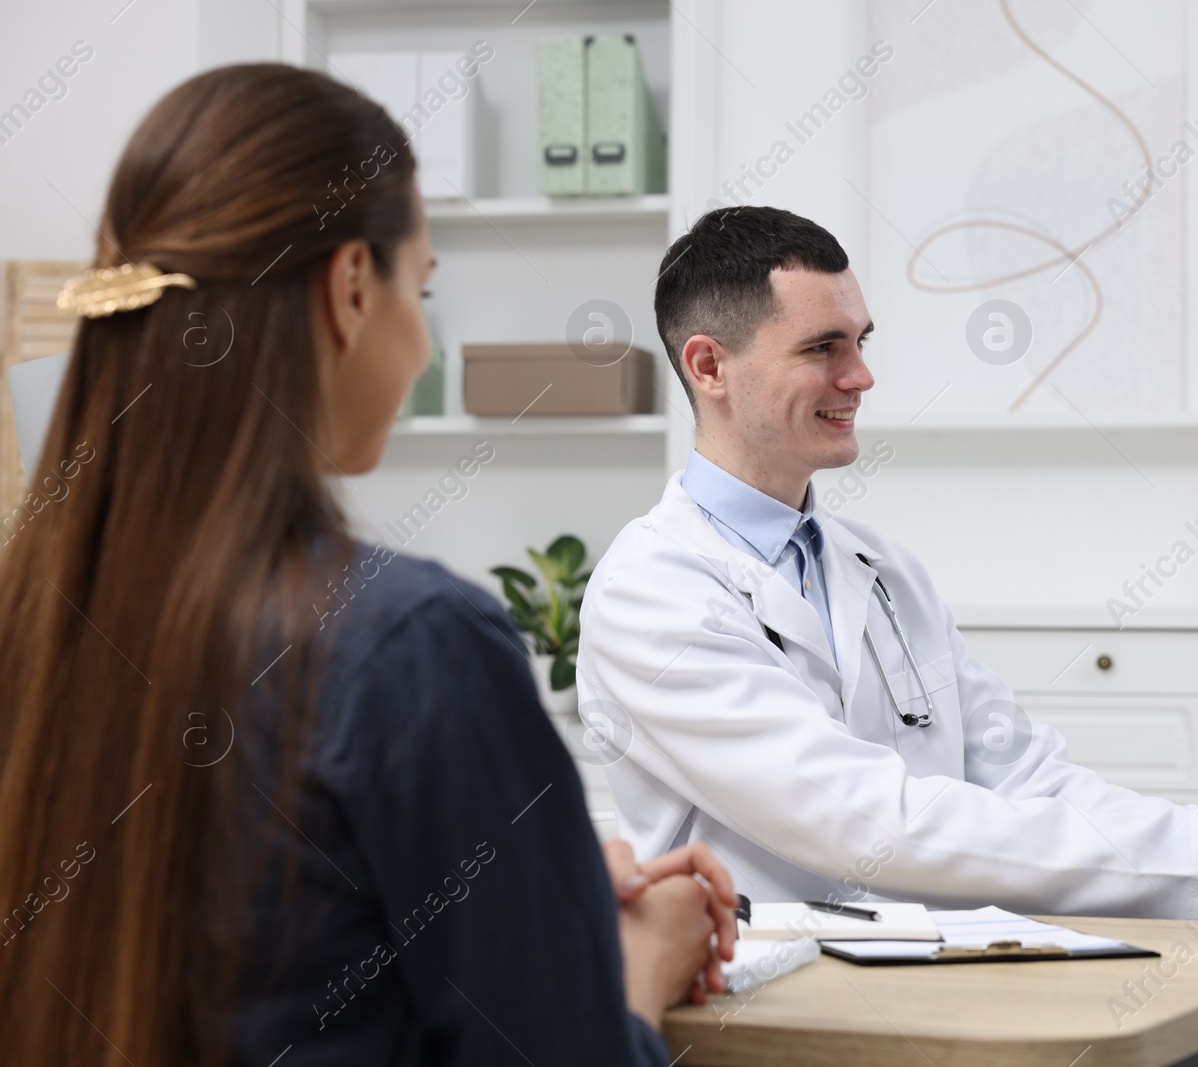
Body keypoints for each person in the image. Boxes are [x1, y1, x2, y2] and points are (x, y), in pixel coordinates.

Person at [0, 64, 734, 1067]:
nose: (423, 339)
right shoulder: (410, 648)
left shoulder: (31, 630)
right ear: (350, 286)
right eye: (420, 286)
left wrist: (540, 889)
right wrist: (634, 974)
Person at [576, 204, 1198, 917]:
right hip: (756, 1008)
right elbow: (864, 819)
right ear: (709, 366)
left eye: (860, 342)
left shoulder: (880, 569)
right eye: (823, 347)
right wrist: (1195, 853)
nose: (860, 376)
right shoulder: (651, 594)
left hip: (925, 988)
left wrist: (1183, 835)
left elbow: (1020, 770)